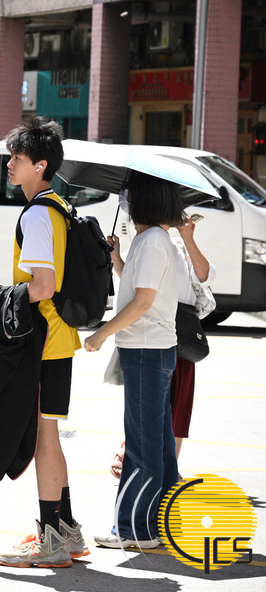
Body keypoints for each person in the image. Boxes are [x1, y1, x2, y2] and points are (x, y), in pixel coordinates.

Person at [0, 116, 85, 569]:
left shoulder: (37, 214)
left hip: (43, 339)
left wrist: (1, 296)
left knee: (45, 436)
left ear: (40, 165)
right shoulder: (59, 207)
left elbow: (43, 285)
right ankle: (66, 530)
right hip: (60, 337)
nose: (10, 164)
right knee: (51, 433)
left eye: (18, 157)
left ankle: (51, 541)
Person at [84, 173, 183, 549]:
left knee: (142, 445)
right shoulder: (151, 239)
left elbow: (142, 303)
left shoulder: (154, 240)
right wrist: (117, 259)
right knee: (157, 443)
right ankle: (161, 521)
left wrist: (101, 333)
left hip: (146, 351)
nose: (125, 200)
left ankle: (134, 530)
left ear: (146, 200)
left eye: (130, 195)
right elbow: (140, 288)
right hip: (150, 350)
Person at [109, 213, 214, 477]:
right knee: (147, 404)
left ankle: (169, 468)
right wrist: (116, 258)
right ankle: (137, 456)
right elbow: (137, 289)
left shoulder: (175, 246)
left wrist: (187, 237)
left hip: (181, 334)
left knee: (176, 406)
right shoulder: (144, 244)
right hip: (152, 333)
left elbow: (204, 276)